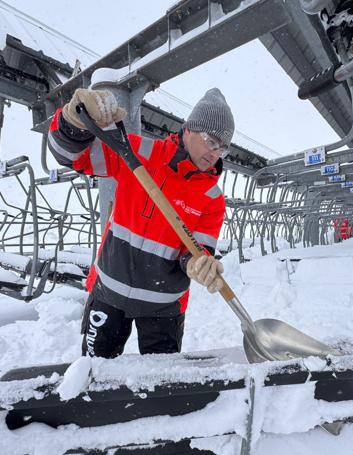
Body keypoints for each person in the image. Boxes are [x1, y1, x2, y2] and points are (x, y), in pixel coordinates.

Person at [48, 86, 234, 358]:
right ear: (188, 130)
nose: (215, 152)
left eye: (223, 147)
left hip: (164, 308)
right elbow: (73, 158)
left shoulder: (211, 198)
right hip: (108, 293)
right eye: (210, 140)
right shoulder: (138, 153)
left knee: (161, 388)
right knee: (93, 376)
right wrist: (72, 125)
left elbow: (197, 250)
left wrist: (197, 263)